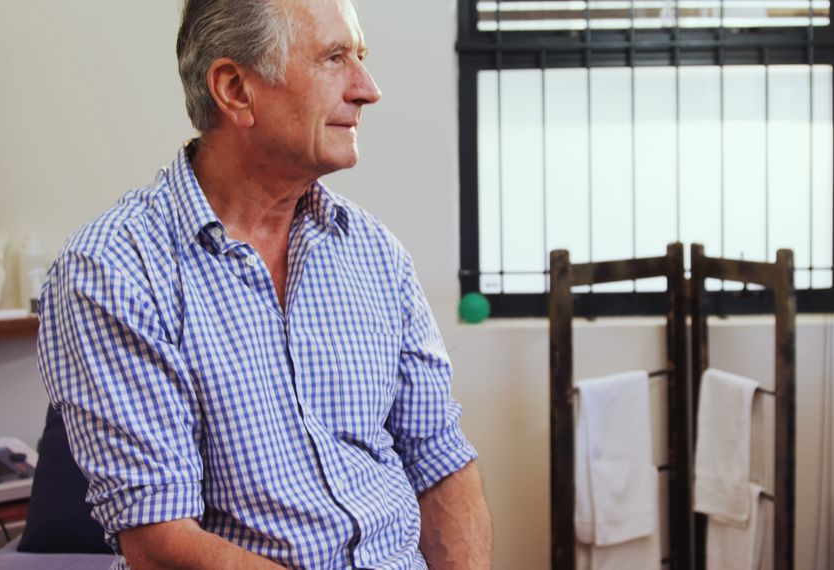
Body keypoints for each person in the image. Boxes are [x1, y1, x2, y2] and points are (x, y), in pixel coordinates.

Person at [36, 0, 492, 568]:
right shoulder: (112, 271)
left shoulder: (376, 254)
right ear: (234, 89)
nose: (367, 89)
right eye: (334, 58)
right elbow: (161, 543)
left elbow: (439, 460)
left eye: (361, 58)